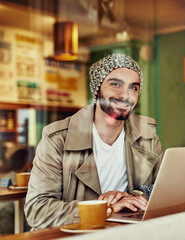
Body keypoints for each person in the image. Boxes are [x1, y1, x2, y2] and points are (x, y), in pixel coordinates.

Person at [24, 53, 164, 230]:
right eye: (115, 84)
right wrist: (104, 209)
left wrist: (137, 196)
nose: (125, 95)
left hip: (125, 232)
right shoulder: (57, 138)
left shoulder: (147, 134)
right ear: (97, 89)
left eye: (133, 88)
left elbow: (162, 188)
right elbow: (37, 210)